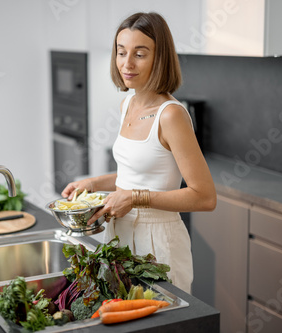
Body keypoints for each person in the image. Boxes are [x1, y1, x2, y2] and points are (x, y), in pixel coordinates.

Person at [61, 12, 216, 294]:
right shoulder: (128, 105)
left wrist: (134, 198)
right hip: (119, 234)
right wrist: (93, 183)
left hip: (158, 243)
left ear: (160, 58)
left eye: (140, 54)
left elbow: (204, 196)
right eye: (121, 53)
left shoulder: (171, 116)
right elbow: (137, 173)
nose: (127, 63)